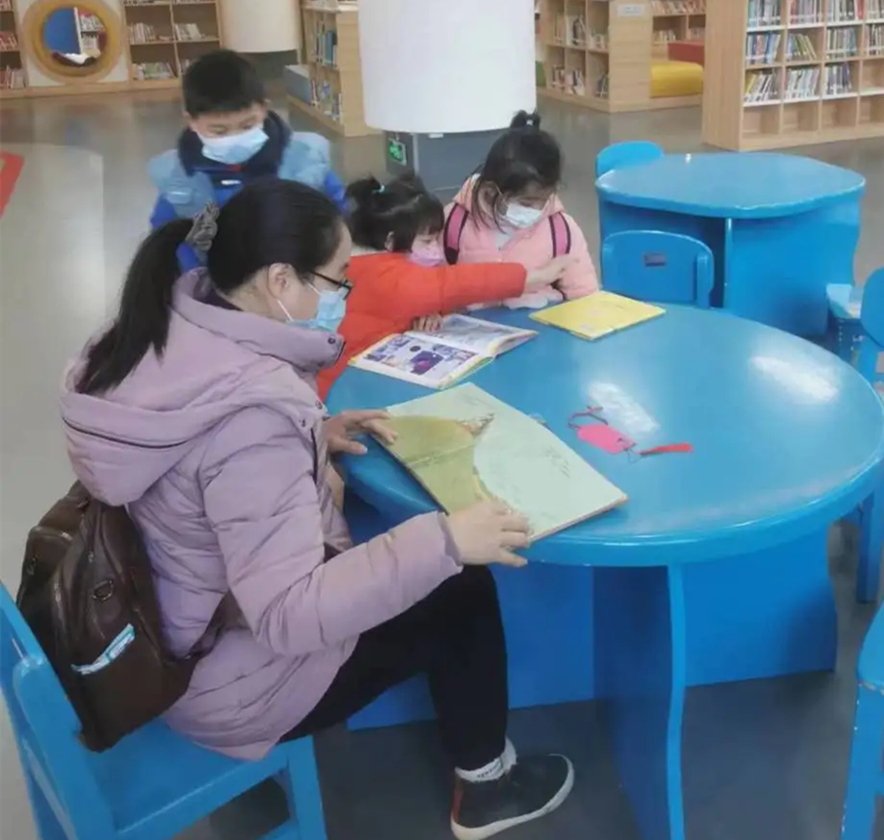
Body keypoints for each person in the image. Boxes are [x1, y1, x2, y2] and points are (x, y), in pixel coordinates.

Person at [60, 179, 574, 840]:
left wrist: (312, 434)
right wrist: (445, 540)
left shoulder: (168, 327)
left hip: (164, 628)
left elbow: (200, 467)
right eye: (337, 281)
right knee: (460, 586)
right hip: (233, 682)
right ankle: (487, 788)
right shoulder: (252, 418)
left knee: (428, 563)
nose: (344, 296)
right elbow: (287, 616)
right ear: (280, 280)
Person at [316, 173, 575, 397]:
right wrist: (532, 277)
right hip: (339, 393)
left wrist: (428, 313)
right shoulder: (386, 276)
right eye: (427, 241)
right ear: (391, 241)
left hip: (349, 380)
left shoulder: (357, 262)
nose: (436, 250)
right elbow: (454, 284)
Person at [148, 49, 346, 271]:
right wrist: (196, 276)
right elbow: (166, 237)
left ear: (264, 108)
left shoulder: (304, 158)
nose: (235, 138)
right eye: (219, 131)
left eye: (247, 125)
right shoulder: (179, 176)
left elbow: (339, 213)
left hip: (298, 277)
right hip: (213, 281)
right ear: (191, 121)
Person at [445, 111, 598, 308]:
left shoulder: (561, 231)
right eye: (526, 203)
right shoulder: (455, 223)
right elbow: (431, 286)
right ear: (491, 191)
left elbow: (586, 297)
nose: (537, 209)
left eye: (544, 200)